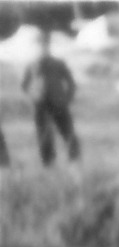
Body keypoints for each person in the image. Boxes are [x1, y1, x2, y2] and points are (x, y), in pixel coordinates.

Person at [23, 30, 78, 166]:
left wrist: (67, 99)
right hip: (41, 106)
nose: (43, 48)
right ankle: (49, 164)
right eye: (40, 45)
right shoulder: (32, 65)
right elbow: (25, 85)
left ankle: (75, 162)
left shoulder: (58, 64)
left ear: (49, 46)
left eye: (45, 45)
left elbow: (71, 83)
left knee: (68, 133)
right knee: (44, 137)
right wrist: (33, 95)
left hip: (59, 104)